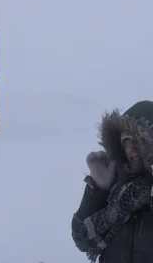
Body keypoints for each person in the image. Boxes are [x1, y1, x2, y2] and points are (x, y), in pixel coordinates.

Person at [72, 101, 153, 262]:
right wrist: (98, 190)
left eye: (140, 140)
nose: (131, 148)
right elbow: (81, 239)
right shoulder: (114, 184)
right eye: (127, 139)